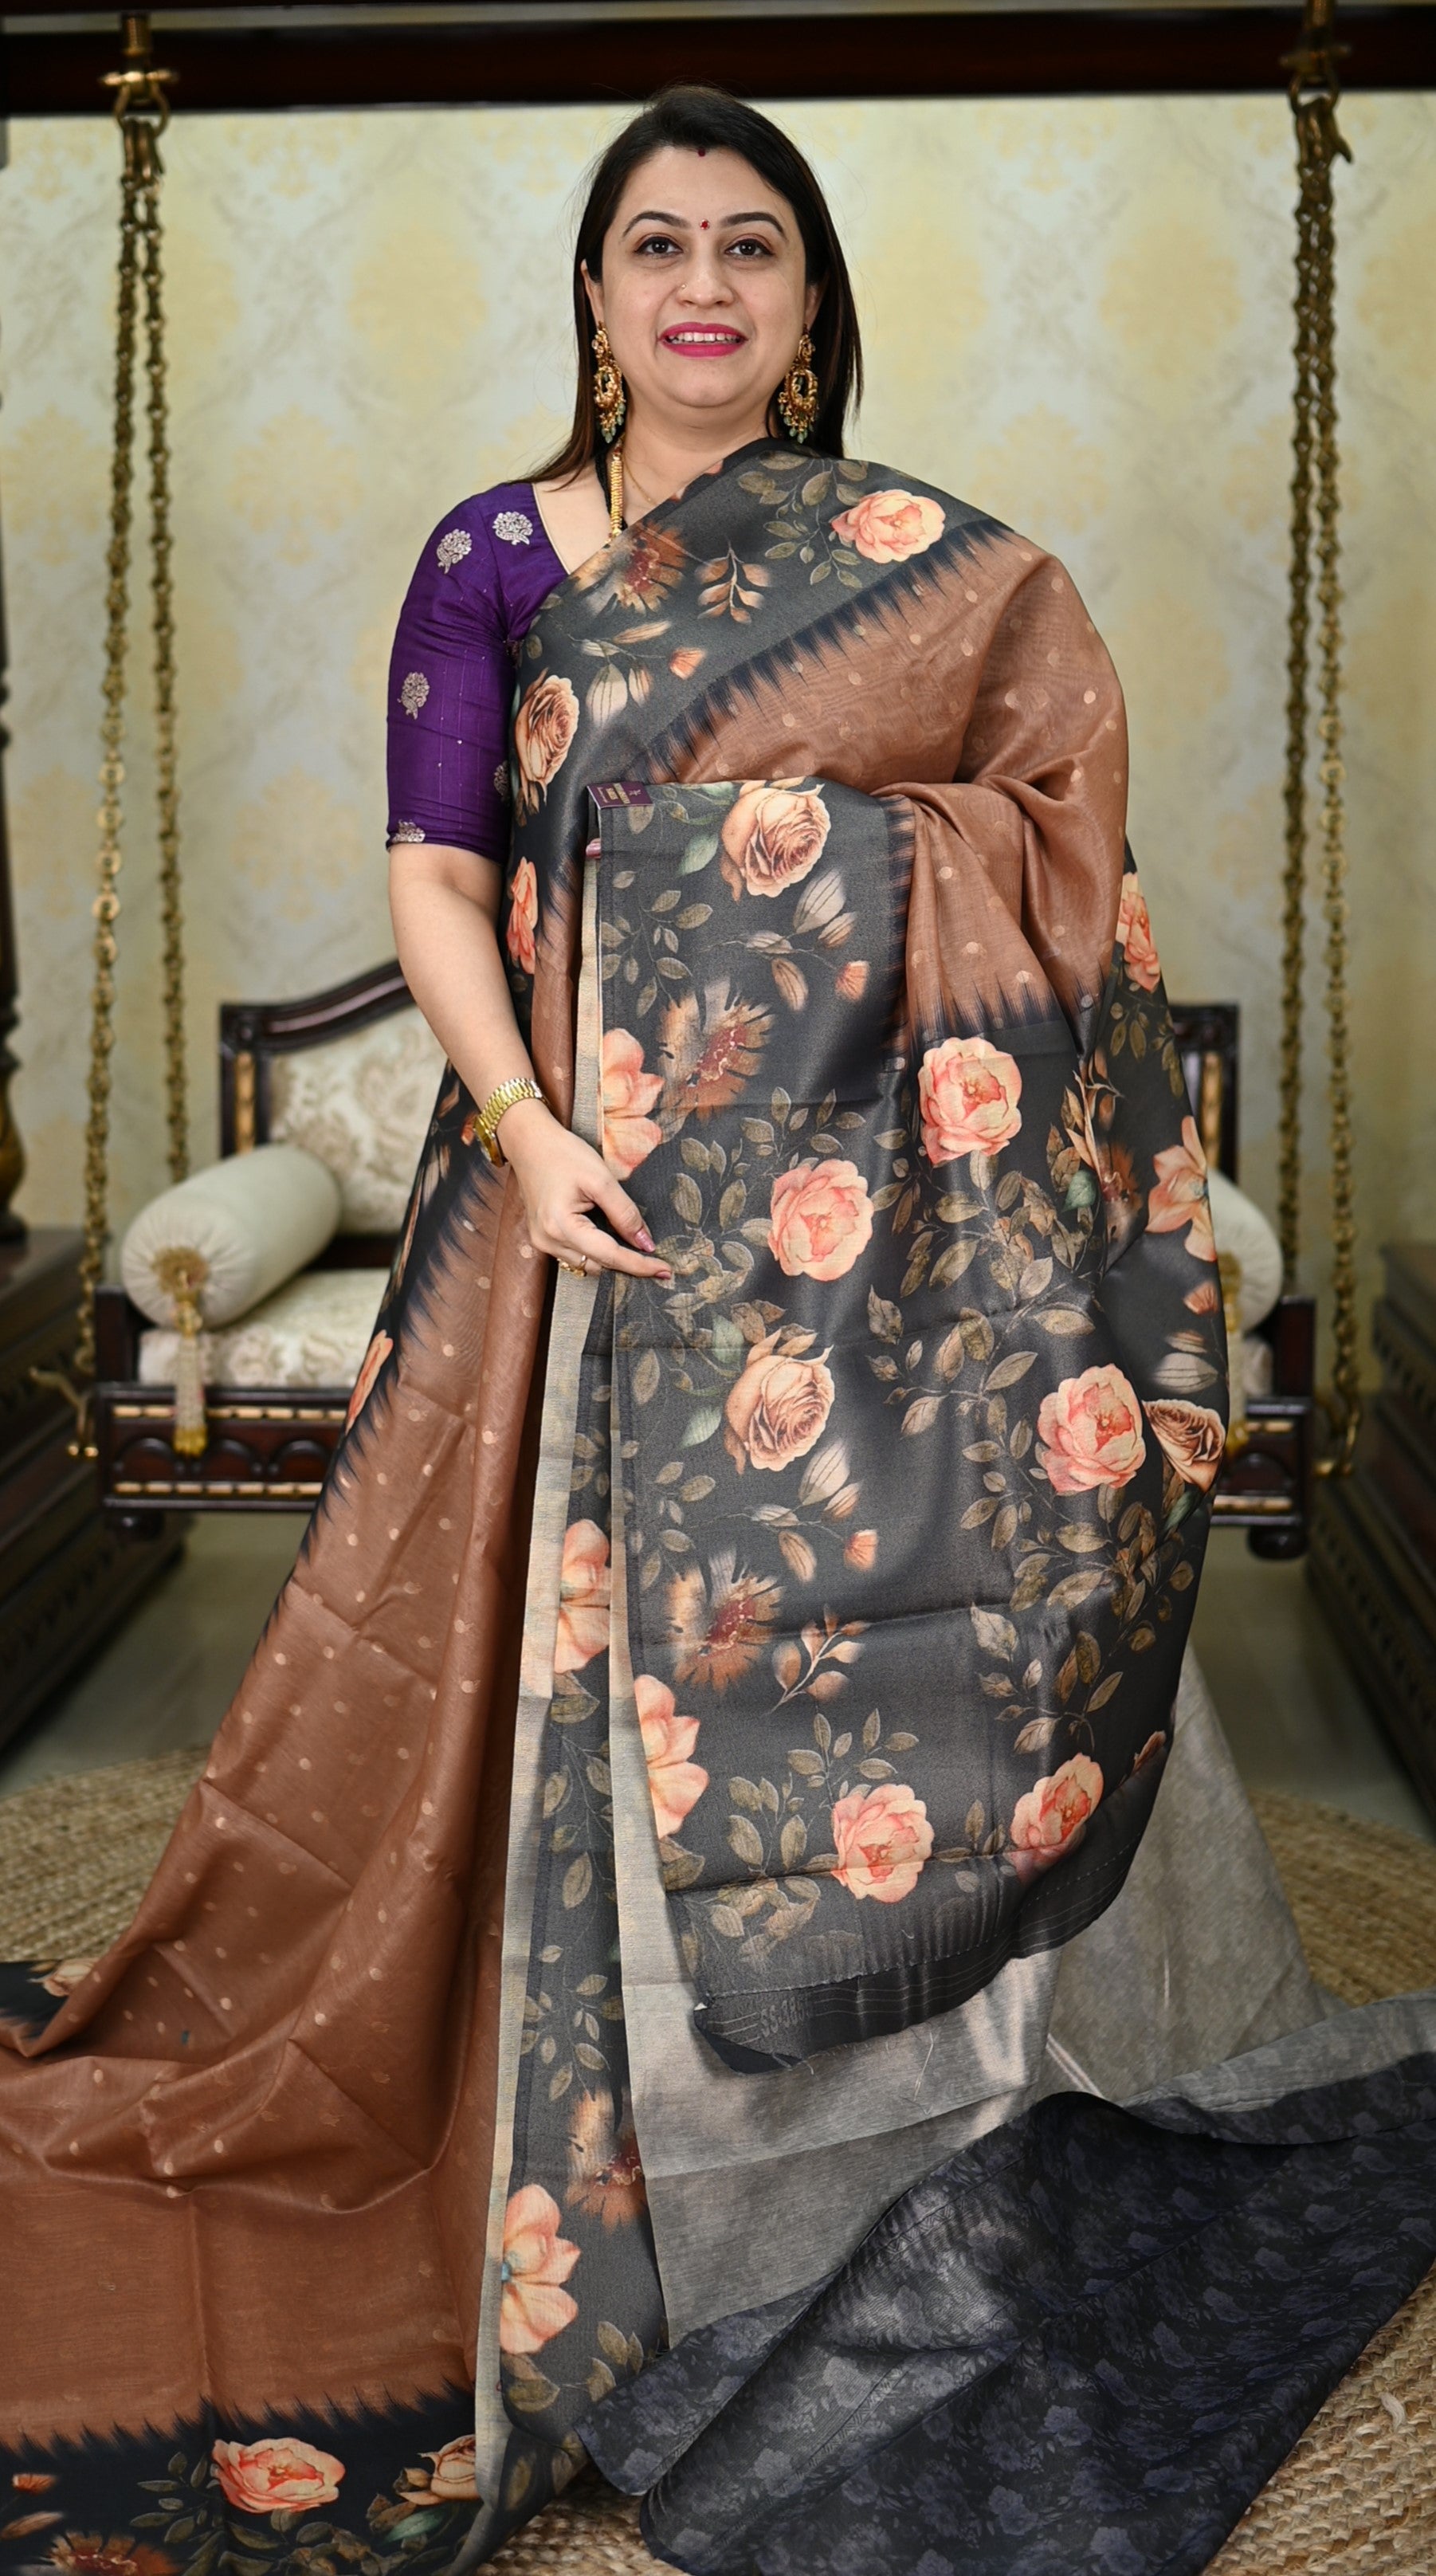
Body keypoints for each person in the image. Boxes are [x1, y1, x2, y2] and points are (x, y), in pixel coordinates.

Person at [2, 84, 1433, 2576]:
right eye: (653, 243)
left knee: (937, 1647)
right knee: (547, 1700)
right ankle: (621, 2151)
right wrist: (524, 1120)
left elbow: (1054, 847)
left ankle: (931, 2120)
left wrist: (817, 867)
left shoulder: (914, 569)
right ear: (591, 291)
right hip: (583, 1226)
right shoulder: (495, 559)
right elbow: (436, 868)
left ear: (805, 299)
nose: (699, 286)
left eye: (749, 246)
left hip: (894, 1263)